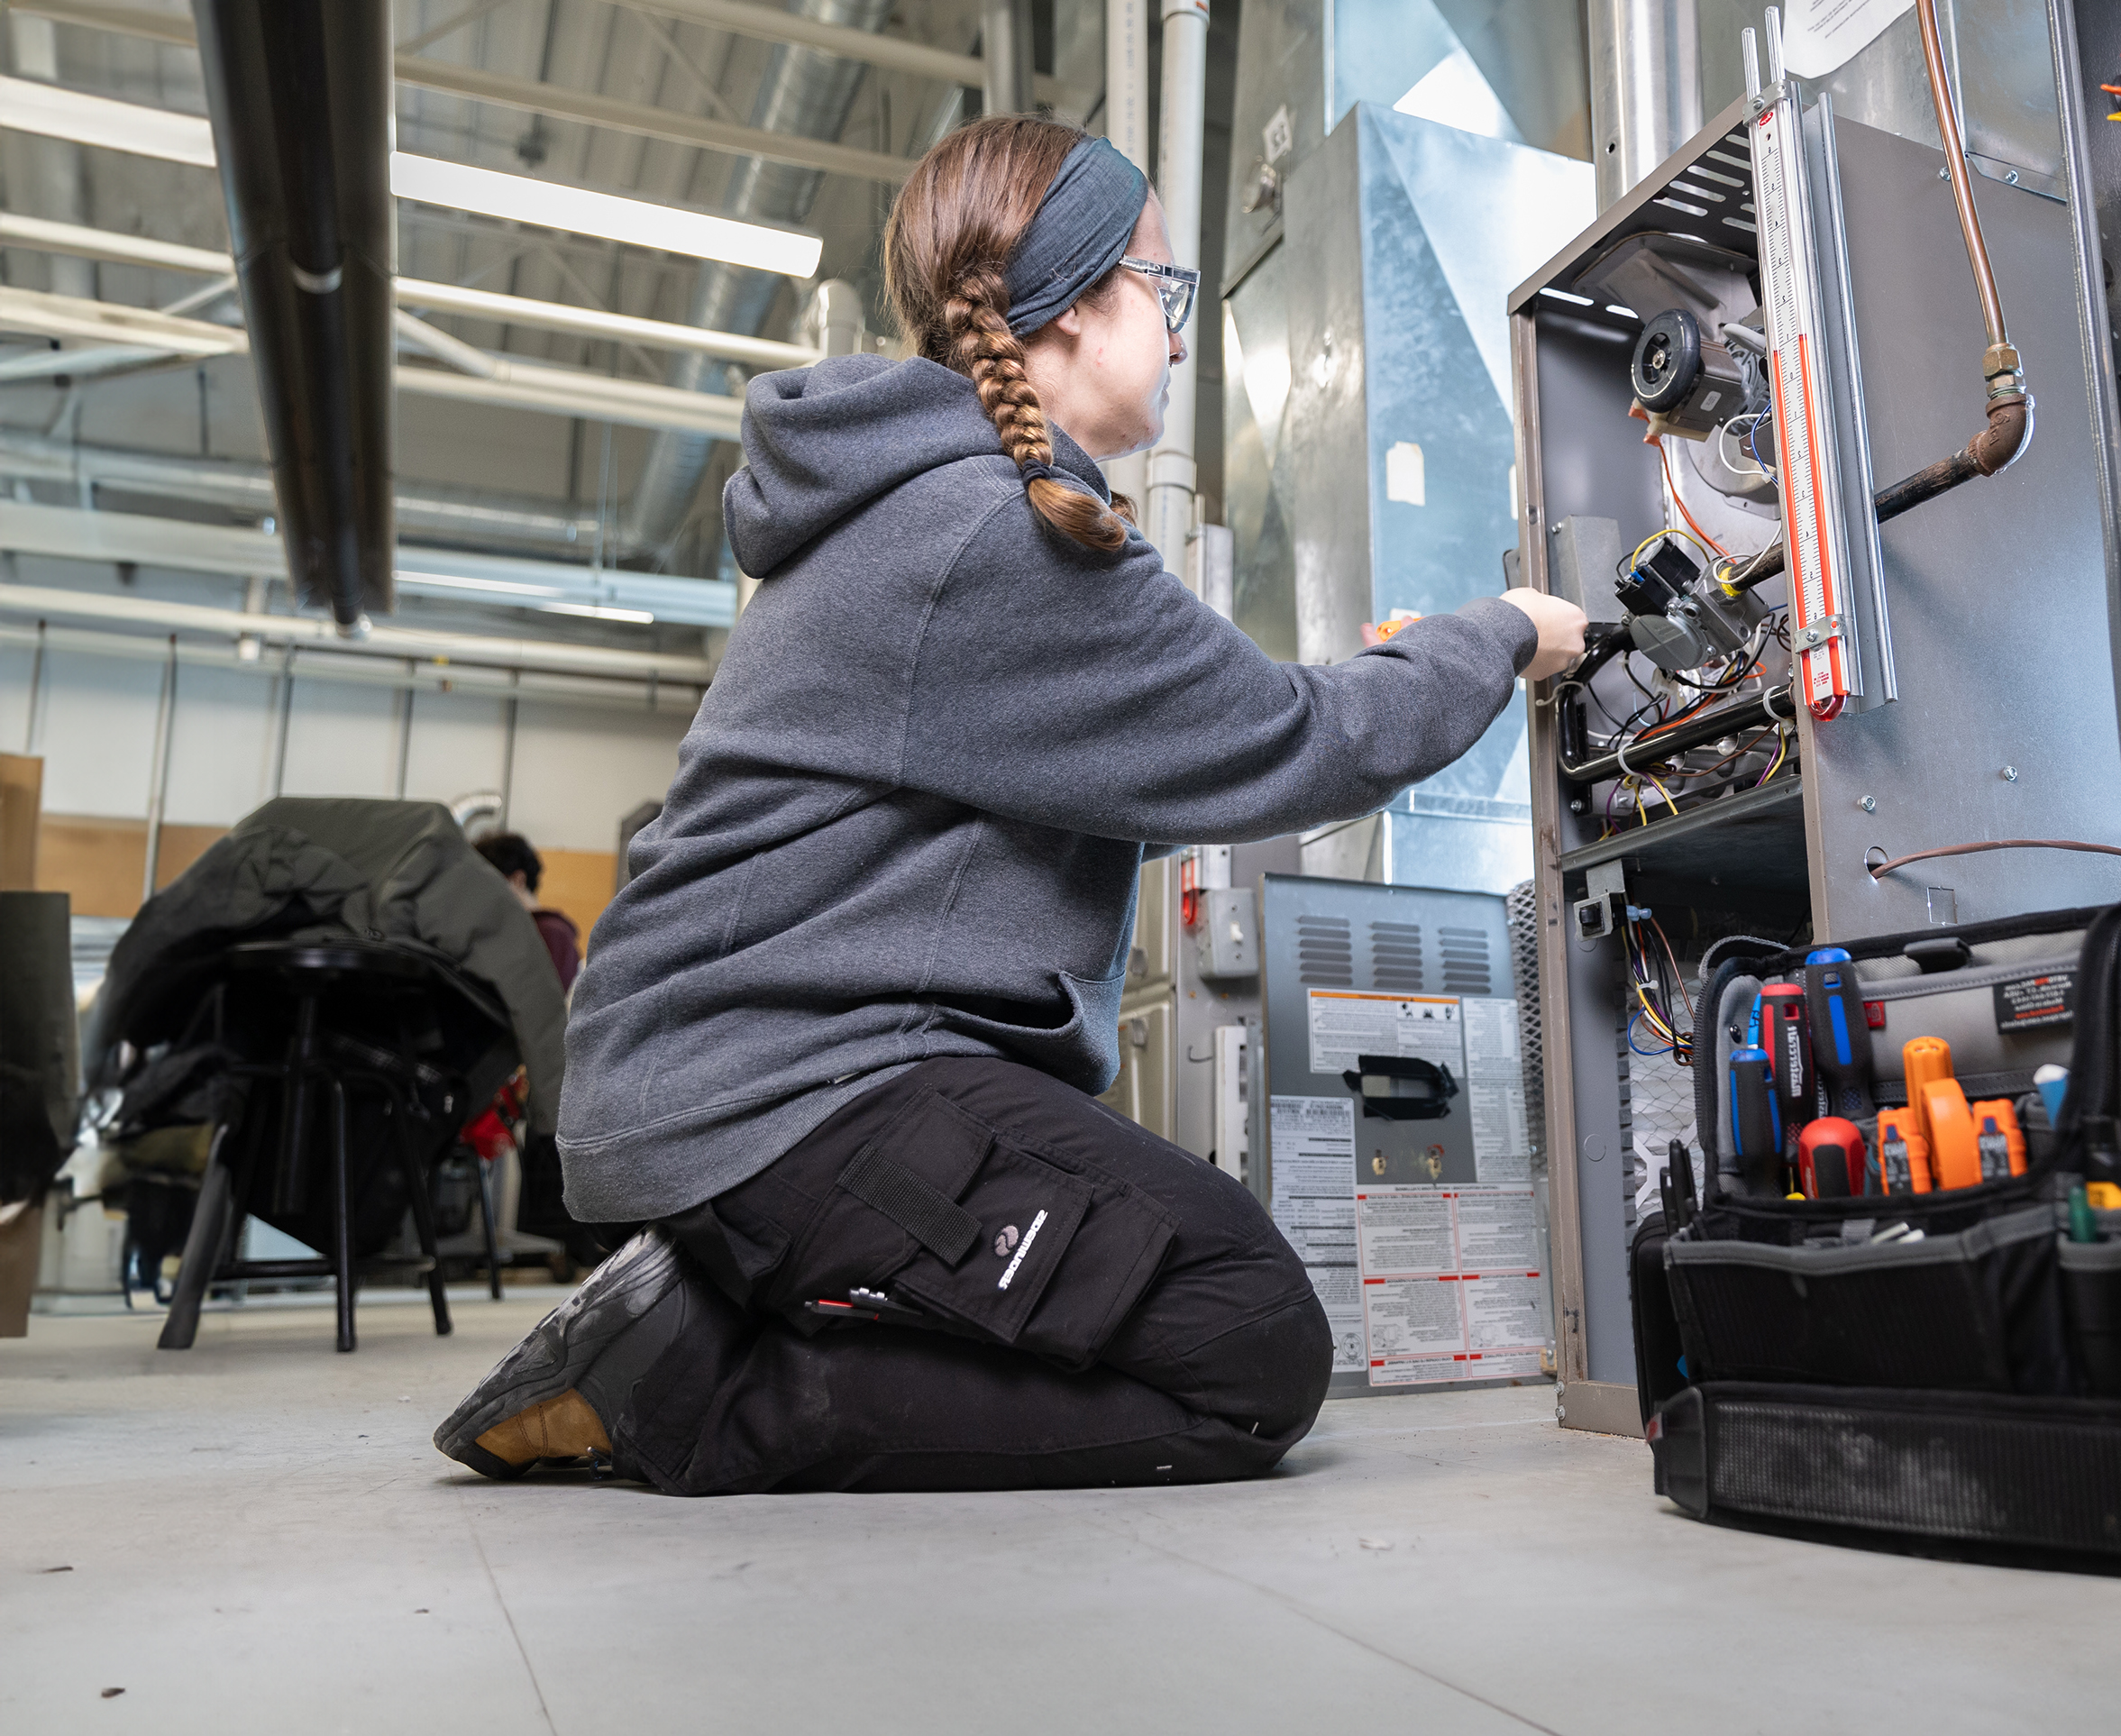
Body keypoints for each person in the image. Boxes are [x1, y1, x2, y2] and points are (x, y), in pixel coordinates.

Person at [433, 116, 1586, 1495]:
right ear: (1077, 304)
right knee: (1247, 1339)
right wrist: (1503, 633)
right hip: (790, 1092)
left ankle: (716, 1307)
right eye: (1162, 288)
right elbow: (1299, 742)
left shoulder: (932, 505)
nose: (1178, 335)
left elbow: (1156, 769)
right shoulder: (994, 531)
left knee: (1153, 1291)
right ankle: (691, 1385)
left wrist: (1355, 691)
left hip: (741, 1080)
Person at [472, 831, 582, 993]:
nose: (481, 894)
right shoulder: (513, 927)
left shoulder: (550, 933)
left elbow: (542, 999)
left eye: (488, 884)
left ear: (518, 880)